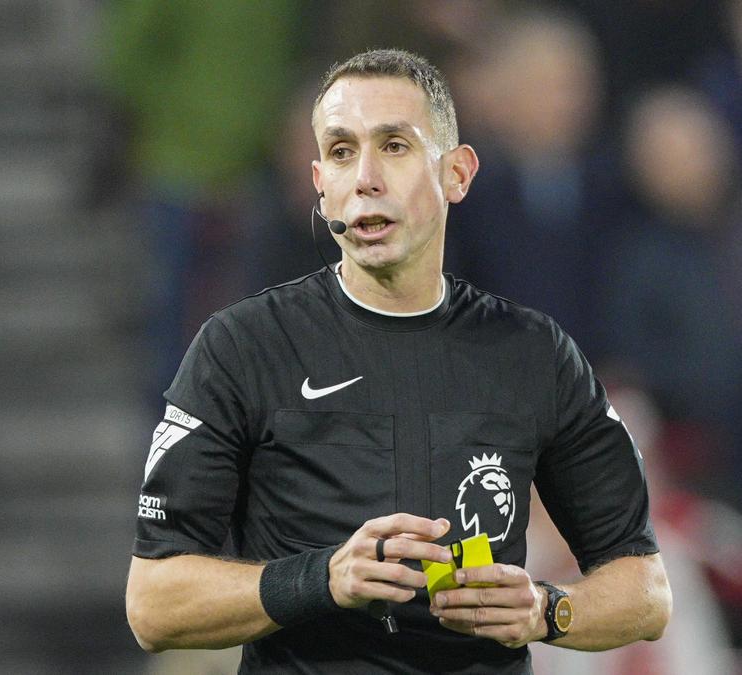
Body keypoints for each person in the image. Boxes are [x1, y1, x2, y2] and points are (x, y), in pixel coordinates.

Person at [125, 49, 671, 674]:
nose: (365, 177)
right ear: (320, 183)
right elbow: (152, 603)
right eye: (341, 151)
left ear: (457, 174)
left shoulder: (534, 354)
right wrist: (319, 579)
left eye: (394, 146)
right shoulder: (241, 348)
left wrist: (549, 611)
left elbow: (647, 591)